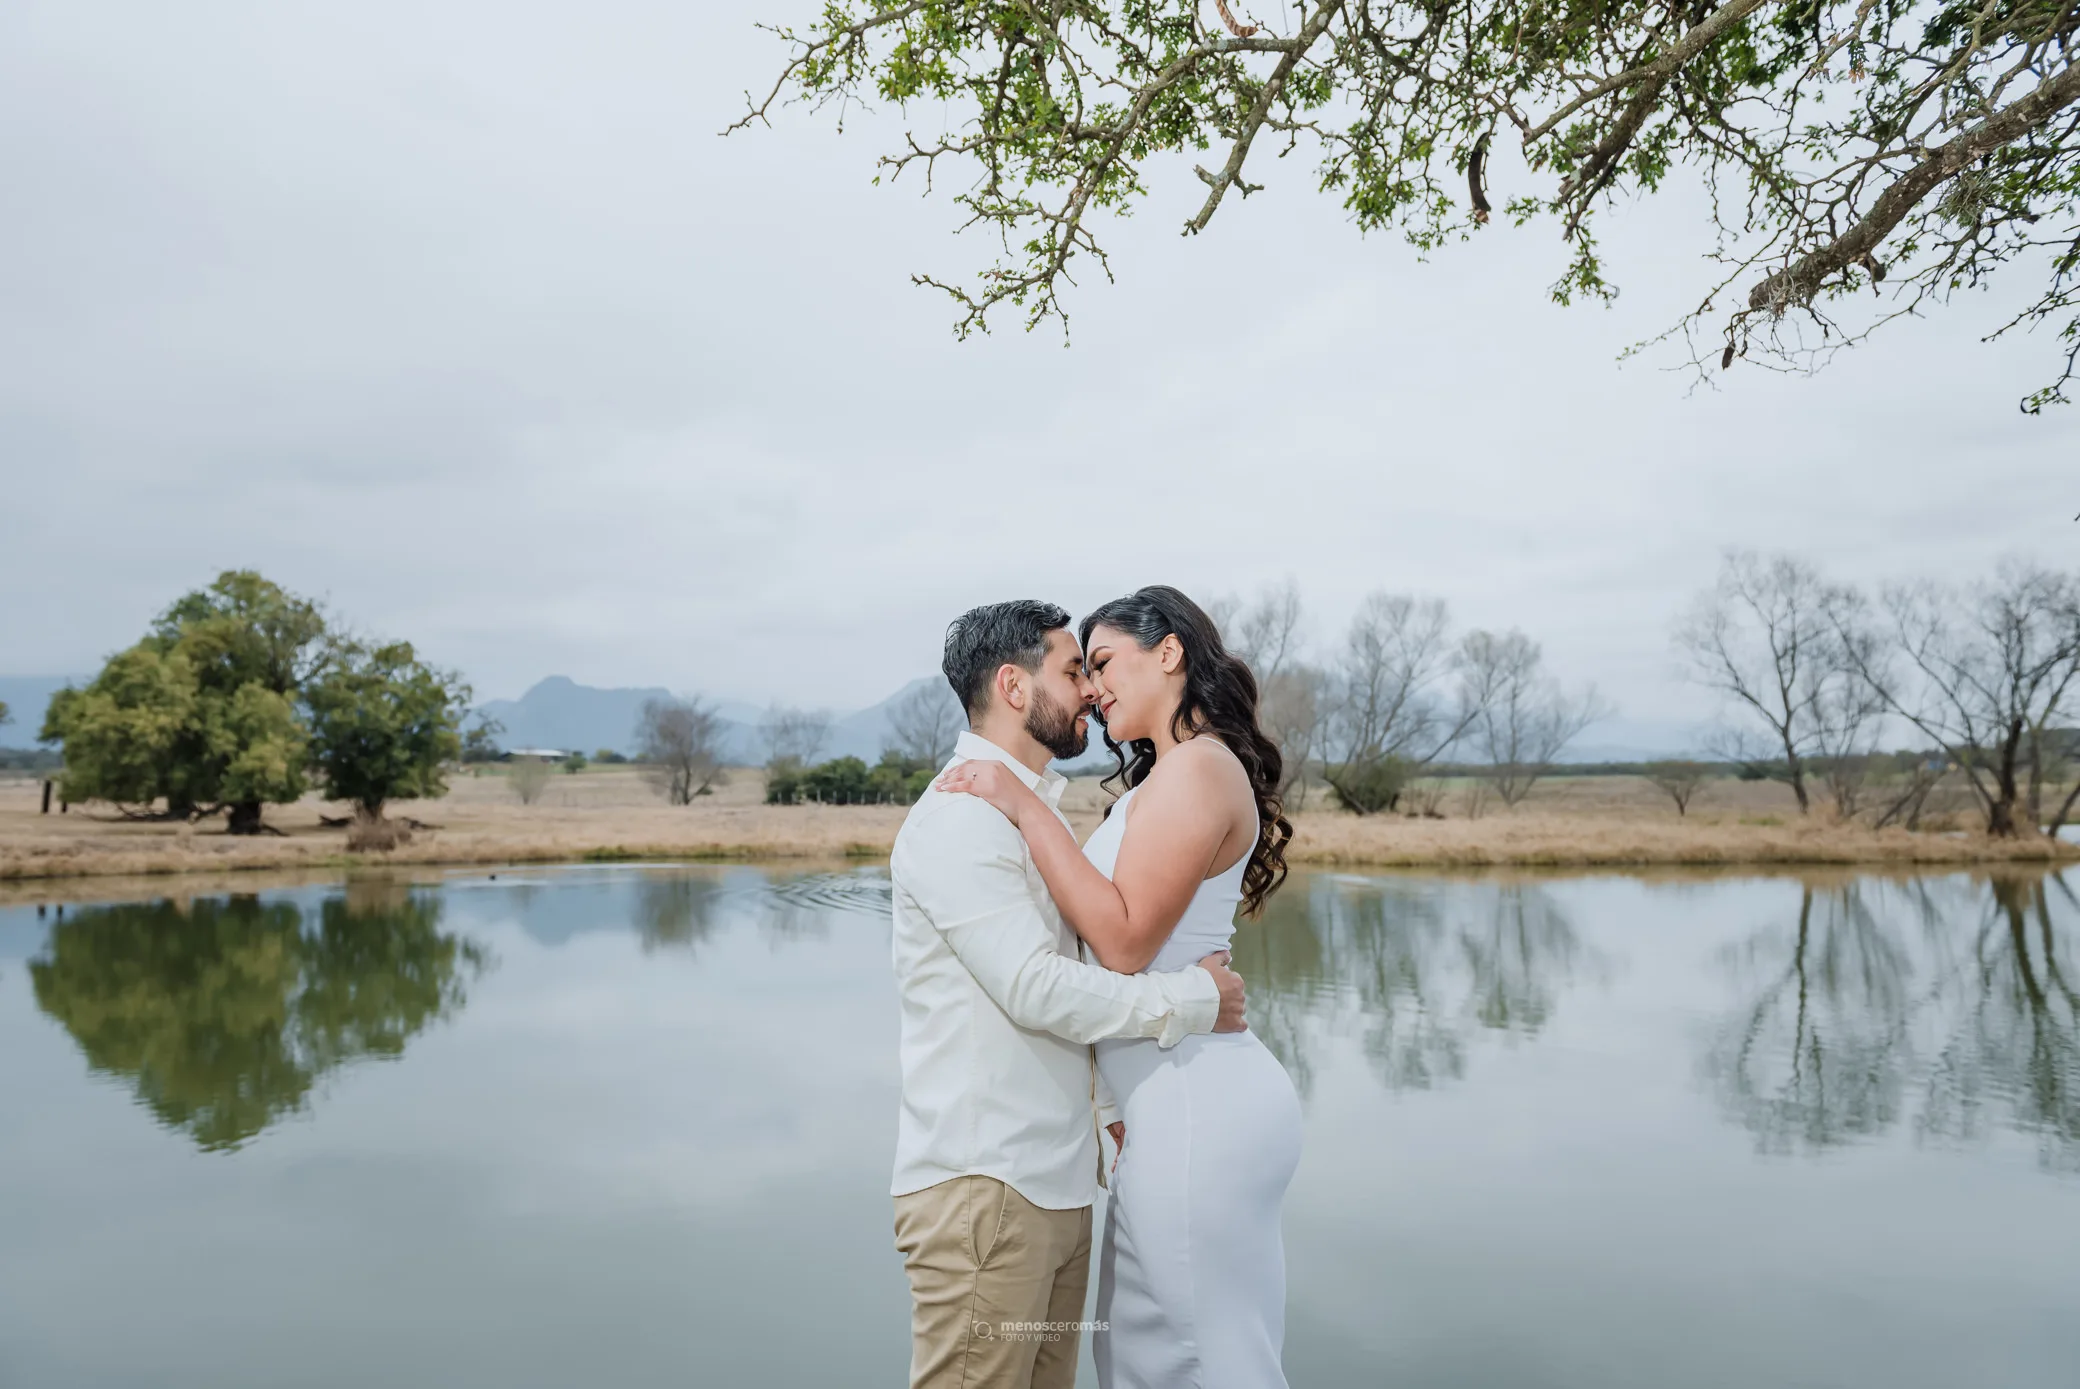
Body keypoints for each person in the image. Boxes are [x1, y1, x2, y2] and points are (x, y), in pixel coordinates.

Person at [937, 584, 1304, 1389]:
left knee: (1196, 1355)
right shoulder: (1167, 777)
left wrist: (1024, 807)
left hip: (1195, 1097)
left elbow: (1127, 941)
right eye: (1084, 668)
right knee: (1153, 1352)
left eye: (1102, 663)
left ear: (1168, 652)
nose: (1094, 688)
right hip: (1165, 1099)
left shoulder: (1197, 768)